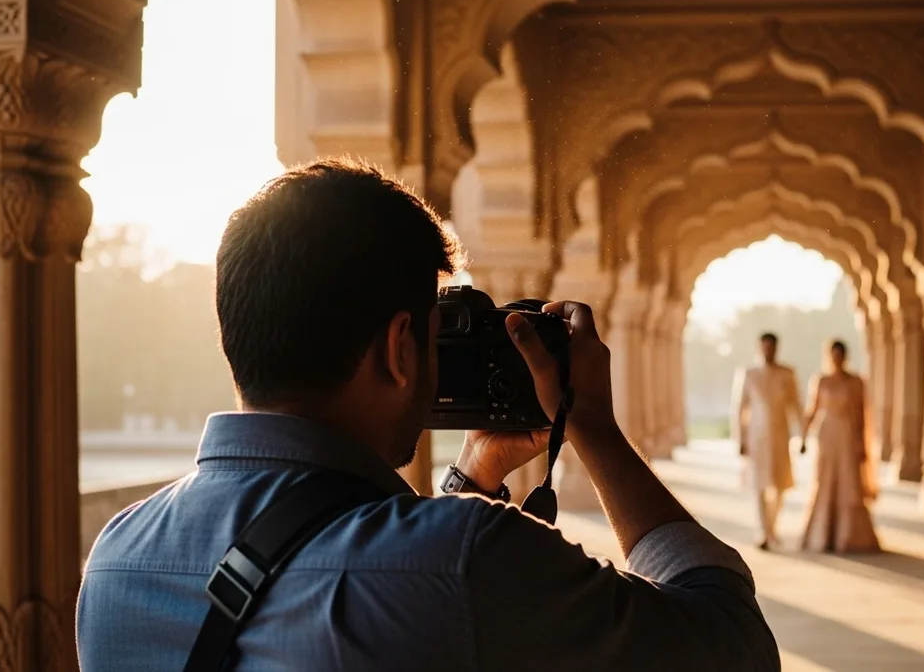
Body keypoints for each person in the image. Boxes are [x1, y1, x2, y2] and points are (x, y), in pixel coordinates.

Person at [75, 159, 779, 671]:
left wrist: (472, 477)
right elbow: (731, 644)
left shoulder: (116, 560)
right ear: (400, 348)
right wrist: (590, 423)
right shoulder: (466, 558)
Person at [799, 340, 881, 553]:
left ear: (845, 356)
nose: (836, 359)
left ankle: (850, 537)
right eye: (833, 355)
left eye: (840, 355)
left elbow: (862, 415)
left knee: (849, 484)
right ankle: (822, 535)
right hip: (827, 436)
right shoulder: (821, 380)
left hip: (847, 435)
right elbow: (812, 410)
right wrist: (803, 438)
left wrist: (863, 445)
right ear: (829, 356)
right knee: (825, 481)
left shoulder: (856, 382)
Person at [731, 332, 803, 550]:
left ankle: (771, 527)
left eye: (771, 346)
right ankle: (764, 531)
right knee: (759, 484)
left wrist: (803, 435)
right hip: (756, 438)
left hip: (781, 437)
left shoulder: (787, 374)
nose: (768, 350)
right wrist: (740, 439)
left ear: (776, 348)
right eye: (764, 346)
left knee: (780, 485)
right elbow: (739, 408)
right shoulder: (749, 374)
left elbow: (796, 406)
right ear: (759, 348)